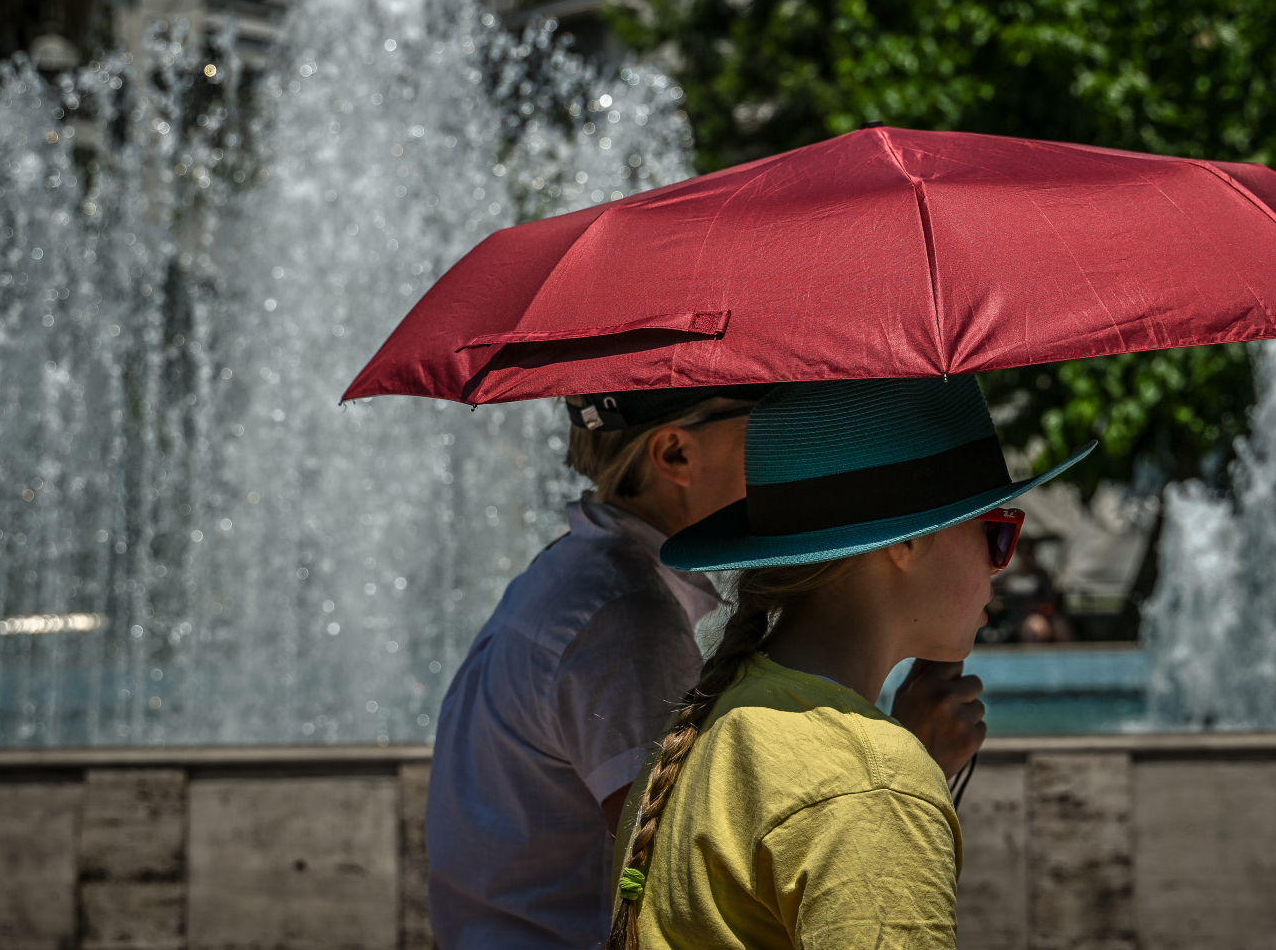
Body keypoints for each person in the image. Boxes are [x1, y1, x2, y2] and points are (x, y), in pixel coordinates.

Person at [425, 385, 991, 950]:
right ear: (674, 455)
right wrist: (902, 768)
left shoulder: (586, 583)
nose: (785, 442)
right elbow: (693, 855)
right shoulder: (627, 618)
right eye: (764, 419)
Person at [608, 377, 1093, 949]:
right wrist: (894, 779)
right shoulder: (866, 787)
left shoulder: (714, 720)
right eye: (995, 530)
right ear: (906, 540)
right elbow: (846, 802)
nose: (999, 567)